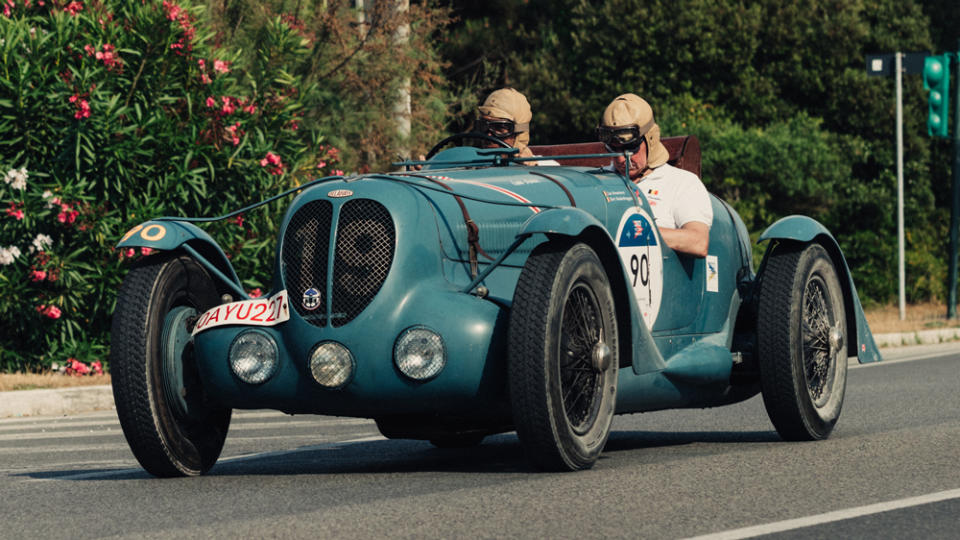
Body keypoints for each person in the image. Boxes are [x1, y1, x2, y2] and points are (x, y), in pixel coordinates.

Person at [597, 93, 711, 257]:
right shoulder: (599, 181)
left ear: (650, 139)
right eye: (613, 150)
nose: (621, 159)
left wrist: (631, 232)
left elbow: (698, 242)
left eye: (630, 149)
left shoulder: (682, 183)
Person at [475, 88, 558, 166]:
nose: (488, 135)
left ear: (519, 132)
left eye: (499, 128)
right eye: (483, 126)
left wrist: (531, 167)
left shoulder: (549, 169)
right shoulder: (469, 165)